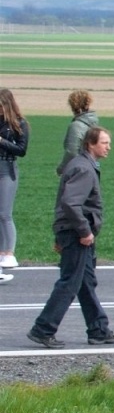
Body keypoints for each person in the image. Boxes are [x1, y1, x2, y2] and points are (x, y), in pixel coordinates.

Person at [28, 126, 114, 348]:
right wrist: (84, 231)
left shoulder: (82, 165)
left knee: (85, 282)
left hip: (72, 232)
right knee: (70, 282)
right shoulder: (84, 169)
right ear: (90, 144)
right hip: (77, 234)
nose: (108, 147)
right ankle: (43, 329)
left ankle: (98, 329)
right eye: (104, 143)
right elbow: (70, 203)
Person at [0, 88, 29, 278]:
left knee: (4, 213)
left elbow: (21, 150)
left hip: (7, 169)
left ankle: (9, 252)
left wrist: (1, 141)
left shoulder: (20, 124)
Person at [59, 90, 98, 174]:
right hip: (92, 166)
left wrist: (61, 169)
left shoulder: (76, 126)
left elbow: (72, 151)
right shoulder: (93, 124)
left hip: (78, 169)